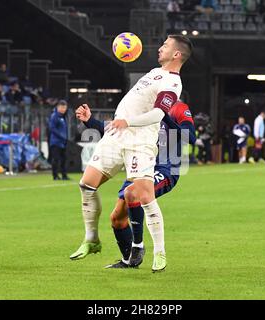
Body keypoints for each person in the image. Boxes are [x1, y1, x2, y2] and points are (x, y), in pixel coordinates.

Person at [69, 35, 192, 273]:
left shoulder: (172, 82)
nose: (160, 48)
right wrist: (92, 121)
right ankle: (92, 239)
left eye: (165, 45)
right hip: (116, 138)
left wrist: (129, 122)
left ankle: (159, 252)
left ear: (177, 54)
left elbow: (157, 115)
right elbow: (125, 115)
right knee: (86, 184)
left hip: (140, 143)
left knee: (144, 196)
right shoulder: (153, 73)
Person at [76, 101, 196, 268]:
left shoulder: (179, 108)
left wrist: (164, 116)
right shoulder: (141, 104)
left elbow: (190, 137)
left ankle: (138, 246)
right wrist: (90, 121)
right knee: (117, 219)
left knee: (132, 192)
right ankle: (128, 261)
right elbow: (117, 129)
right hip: (139, 166)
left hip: (166, 168)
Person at [49, 100, 70, 181]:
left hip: (62, 142)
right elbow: (52, 129)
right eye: (62, 107)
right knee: (56, 159)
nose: (63, 109)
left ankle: (64, 175)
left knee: (64, 159)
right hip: (55, 142)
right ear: (58, 107)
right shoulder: (54, 116)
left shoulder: (63, 117)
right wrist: (61, 137)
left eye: (65, 107)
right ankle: (55, 176)